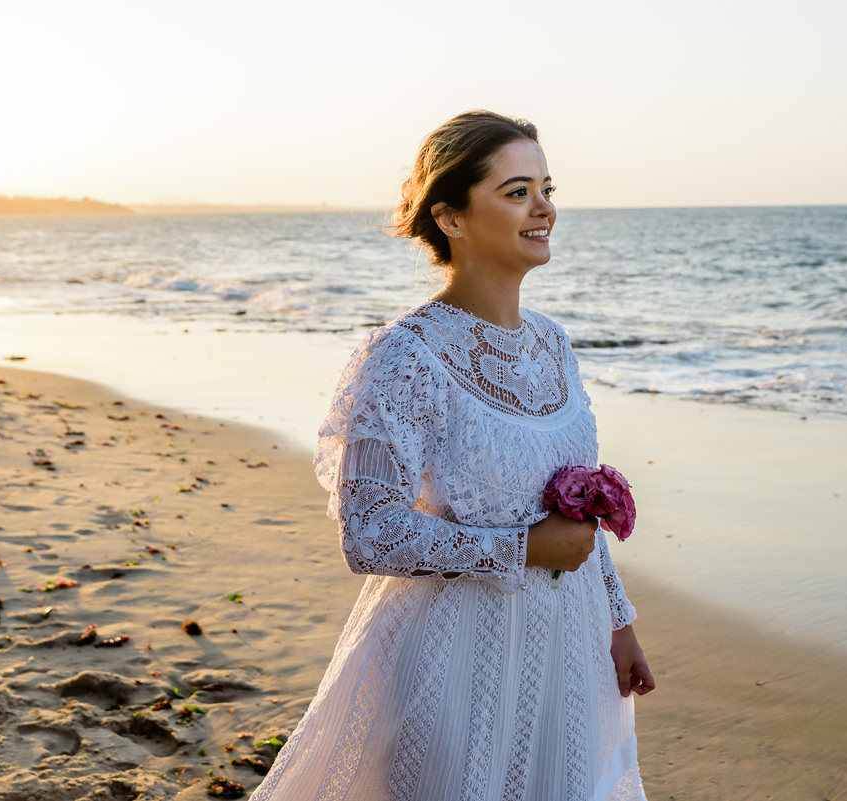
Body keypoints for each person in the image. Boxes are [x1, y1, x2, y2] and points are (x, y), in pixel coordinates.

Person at [249, 110, 655, 801]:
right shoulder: (403, 357)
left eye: (547, 188)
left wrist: (618, 622)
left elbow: (575, 504)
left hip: (566, 648)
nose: (544, 208)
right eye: (517, 190)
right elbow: (370, 531)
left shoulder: (554, 344)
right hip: (454, 656)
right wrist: (524, 548)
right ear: (451, 217)